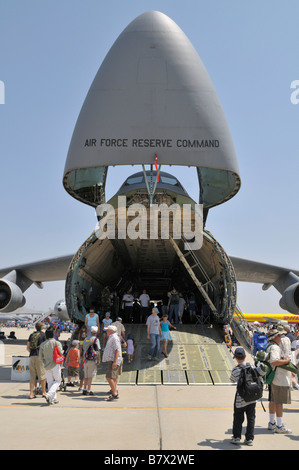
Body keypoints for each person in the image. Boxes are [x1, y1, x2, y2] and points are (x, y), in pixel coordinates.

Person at [230, 347, 257, 446]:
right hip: (252, 398)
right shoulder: (252, 366)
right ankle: (249, 439)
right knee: (251, 418)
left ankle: (237, 437)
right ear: (245, 356)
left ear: (236, 358)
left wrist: (236, 368)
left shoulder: (236, 369)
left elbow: (232, 380)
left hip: (240, 399)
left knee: (238, 417)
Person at [266, 329, 292, 434]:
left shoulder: (269, 346)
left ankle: (272, 423)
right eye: (279, 335)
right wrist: (286, 361)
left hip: (273, 377)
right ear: (274, 337)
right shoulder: (275, 347)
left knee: (272, 400)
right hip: (279, 377)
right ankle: (279, 425)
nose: (281, 337)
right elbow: (274, 361)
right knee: (279, 402)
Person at [39, 326, 64, 405]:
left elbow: (40, 357)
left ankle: (53, 399)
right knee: (57, 381)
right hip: (55, 364)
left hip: (46, 365)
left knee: (50, 382)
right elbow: (61, 352)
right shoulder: (57, 343)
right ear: (53, 335)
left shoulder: (42, 344)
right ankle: (49, 395)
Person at [102, 325, 122, 401]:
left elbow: (117, 350)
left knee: (108, 377)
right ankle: (114, 391)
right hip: (111, 360)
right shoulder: (112, 337)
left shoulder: (114, 338)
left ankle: (114, 394)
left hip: (112, 361)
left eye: (107, 330)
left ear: (111, 331)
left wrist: (115, 361)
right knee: (114, 377)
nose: (106, 331)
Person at [27, 321, 46, 399]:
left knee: (32, 376)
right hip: (39, 357)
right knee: (42, 375)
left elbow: (28, 348)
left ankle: (31, 394)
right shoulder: (43, 335)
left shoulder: (31, 335)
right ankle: (44, 392)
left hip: (32, 356)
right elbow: (45, 347)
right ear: (41, 327)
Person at [82, 326, 101, 396]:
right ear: (96, 332)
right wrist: (99, 359)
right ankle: (88, 390)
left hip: (85, 359)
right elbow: (98, 350)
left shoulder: (86, 339)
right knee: (90, 376)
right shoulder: (96, 340)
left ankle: (84, 389)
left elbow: (83, 349)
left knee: (86, 376)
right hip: (92, 360)